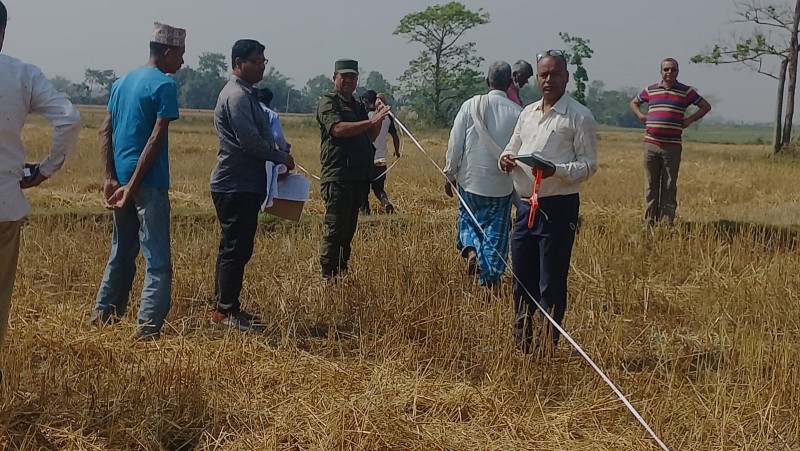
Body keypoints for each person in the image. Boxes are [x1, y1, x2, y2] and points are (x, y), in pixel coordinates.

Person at [0, 0, 82, 379]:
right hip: (4, 205)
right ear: (2, 33)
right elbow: (69, 118)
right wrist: (45, 170)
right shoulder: (20, 74)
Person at [499, 50, 598, 354]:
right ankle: (522, 342)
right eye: (543, 74)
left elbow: (589, 165)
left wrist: (557, 171)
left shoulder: (579, 116)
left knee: (550, 281)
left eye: (555, 74)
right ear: (536, 78)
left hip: (558, 207)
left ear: (566, 77)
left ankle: (546, 345)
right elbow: (512, 147)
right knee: (521, 278)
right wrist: (505, 159)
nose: (548, 80)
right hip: (526, 206)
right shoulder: (527, 112)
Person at [92, 22, 186, 340]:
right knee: (157, 259)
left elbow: (105, 130)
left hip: (120, 179)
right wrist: (132, 185)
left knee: (121, 250)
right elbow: (155, 140)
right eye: (181, 55)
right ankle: (147, 331)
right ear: (168, 52)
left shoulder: (122, 82)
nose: (183, 62)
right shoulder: (164, 86)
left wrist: (111, 179)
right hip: (149, 182)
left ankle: (103, 316)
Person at [209, 40, 295, 330]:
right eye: (256, 60)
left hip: (243, 182)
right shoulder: (236, 96)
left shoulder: (247, 94)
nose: (262, 65)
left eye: (263, 60)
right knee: (236, 247)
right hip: (235, 183)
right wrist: (280, 155)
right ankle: (225, 311)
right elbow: (250, 143)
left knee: (236, 247)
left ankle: (226, 307)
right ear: (238, 63)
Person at [443, 61, 522, 287]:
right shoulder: (518, 113)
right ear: (509, 84)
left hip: (470, 182)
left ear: (487, 81)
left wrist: (449, 174)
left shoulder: (470, 105)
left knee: (468, 220)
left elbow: (455, 143)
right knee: (495, 234)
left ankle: (471, 251)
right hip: (500, 187)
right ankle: (487, 280)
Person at [316, 59, 390, 279]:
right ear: (335, 78)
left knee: (348, 230)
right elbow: (337, 129)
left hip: (358, 177)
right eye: (344, 76)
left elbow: (371, 136)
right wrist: (371, 121)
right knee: (334, 229)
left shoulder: (357, 105)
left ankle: (341, 271)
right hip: (338, 176)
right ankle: (328, 275)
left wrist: (378, 117)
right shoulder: (329, 103)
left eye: (353, 77)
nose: (348, 80)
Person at [630, 58, 711, 228]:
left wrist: (688, 120)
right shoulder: (650, 90)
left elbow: (705, 106)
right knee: (651, 186)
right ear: (661, 72)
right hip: (651, 144)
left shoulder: (685, 91)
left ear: (678, 72)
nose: (669, 73)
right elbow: (634, 102)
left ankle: (666, 224)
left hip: (672, 146)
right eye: (666, 69)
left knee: (669, 185)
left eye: (673, 70)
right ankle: (648, 223)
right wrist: (641, 116)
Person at [360, 89, 400, 214]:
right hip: (381, 159)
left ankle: (365, 211)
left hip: (367, 160)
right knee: (379, 189)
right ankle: (385, 202)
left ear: (366, 102)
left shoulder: (366, 118)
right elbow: (395, 135)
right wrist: (397, 151)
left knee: (363, 189)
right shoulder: (387, 117)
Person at [255, 87, 291, 152]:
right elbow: (277, 136)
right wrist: (284, 147)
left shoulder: (249, 110)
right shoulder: (272, 115)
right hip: (266, 152)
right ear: (269, 100)